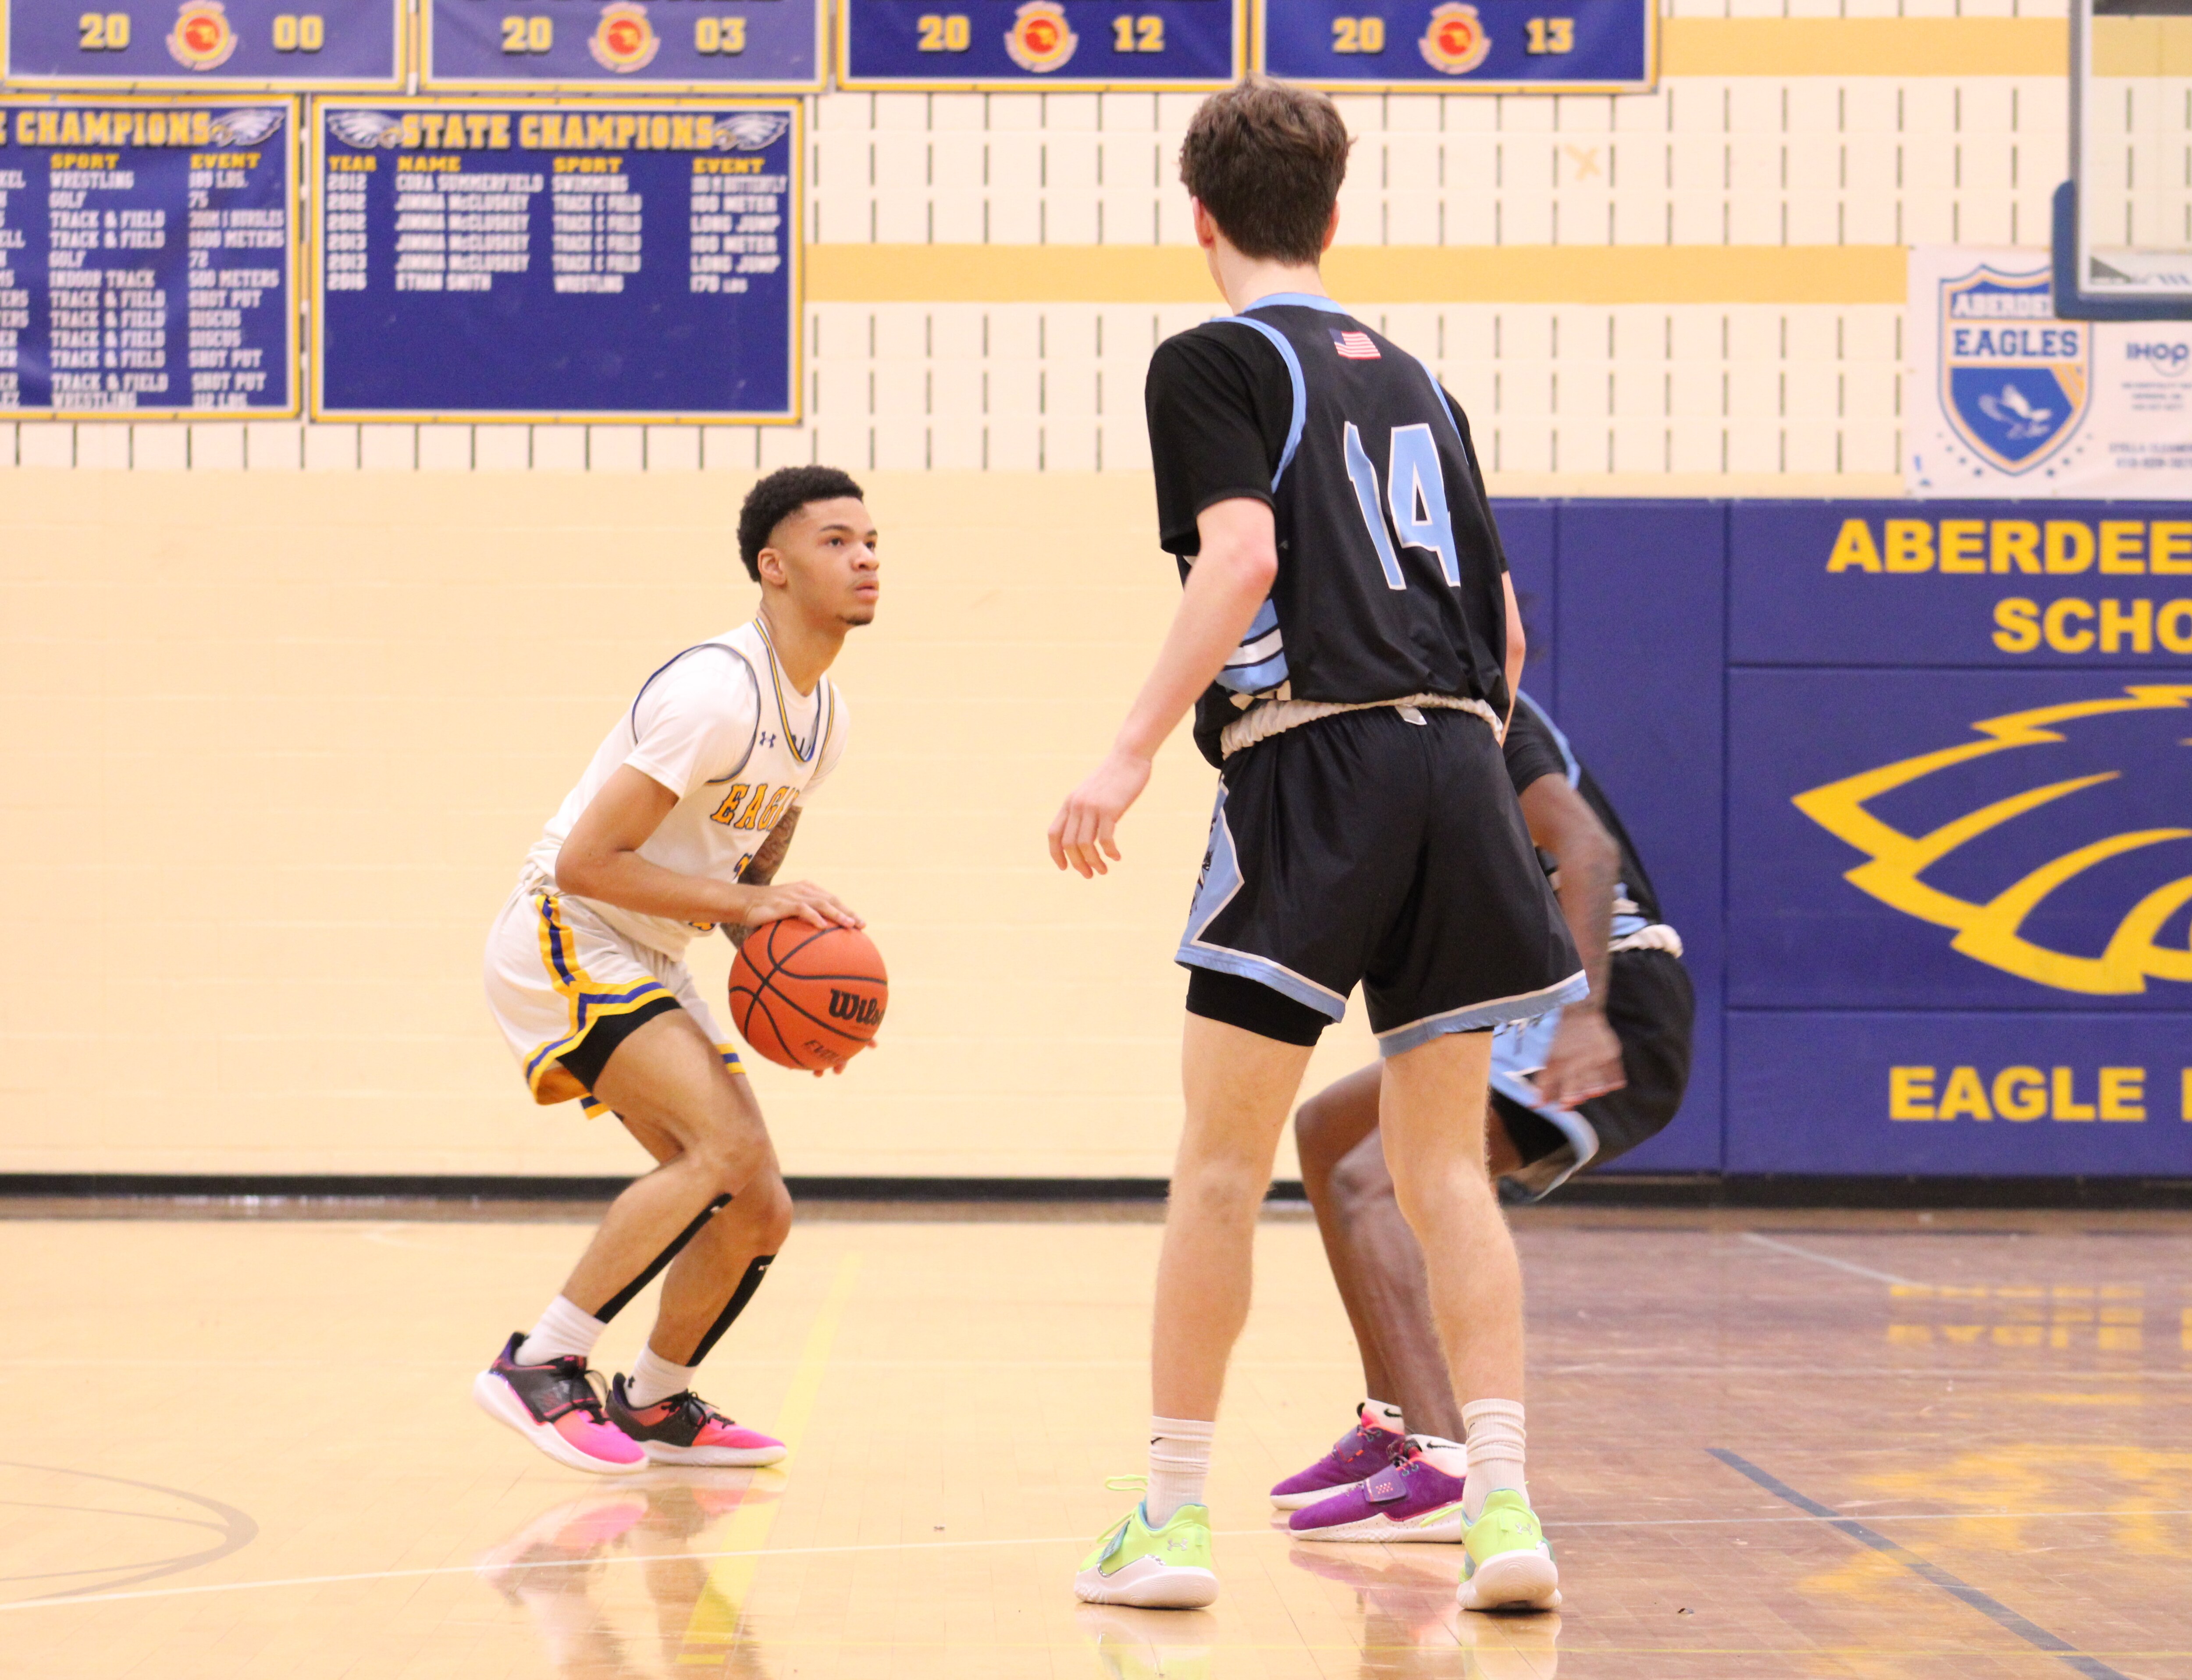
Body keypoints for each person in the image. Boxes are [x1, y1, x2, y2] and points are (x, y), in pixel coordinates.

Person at [1050, 78, 1582, 1612]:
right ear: (1335, 216)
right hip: (1463, 768)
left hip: (1319, 762)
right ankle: (1501, 1512)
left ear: (1198, 216)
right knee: (1444, 1180)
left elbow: (1245, 553)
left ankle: (1168, 1516)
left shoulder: (1211, 358)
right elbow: (1508, 636)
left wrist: (1132, 746)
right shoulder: (1418, 379)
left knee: (1220, 1163)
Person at [474, 466, 876, 1474]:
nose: (866, 557)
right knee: (718, 1151)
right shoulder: (715, 691)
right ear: (772, 567)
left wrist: (807, 994)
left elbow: (748, 880)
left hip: (646, 944)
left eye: (872, 541)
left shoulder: (819, 718)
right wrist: (746, 908)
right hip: (565, 923)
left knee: (759, 1200)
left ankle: (653, 1399)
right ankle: (541, 1360)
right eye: (837, 541)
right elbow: (586, 861)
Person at [1274, 689, 1694, 1544]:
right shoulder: (1396, 724)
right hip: (1523, 1000)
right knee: (1325, 1131)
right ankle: (1392, 1427)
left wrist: (1582, 1015)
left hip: (1606, 990)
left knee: (1377, 1182)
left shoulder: (1483, 708)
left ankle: (1441, 1460)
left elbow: (1586, 845)